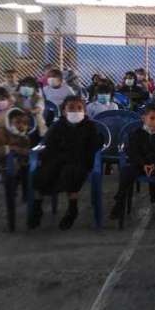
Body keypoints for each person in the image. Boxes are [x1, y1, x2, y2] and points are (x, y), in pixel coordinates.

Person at [30, 96, 104, 230]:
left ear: (84, 111)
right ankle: (37, 207)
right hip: (57, 159)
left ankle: (72, 209)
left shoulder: (89, 126)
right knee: (42, 174)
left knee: (71, 173)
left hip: (80, 160)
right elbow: (48, 144)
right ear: (64, 111)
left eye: (79, 108)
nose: (75, 111)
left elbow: (93, 146)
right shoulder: (58, 125)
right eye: (71, 108)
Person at [109, 104, 155, 224]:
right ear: (144, 118)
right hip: (140, 165)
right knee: (126, 172)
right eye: (152, 118)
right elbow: (132, 152)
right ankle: (119, 202)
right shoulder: (136, 133)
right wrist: (143, 164)